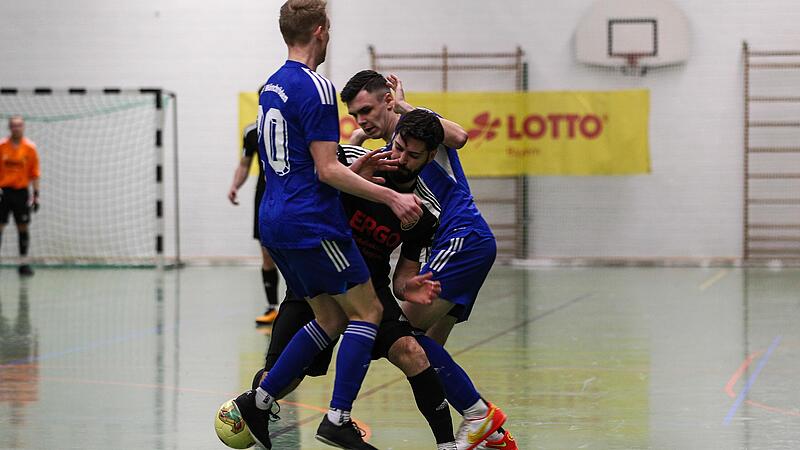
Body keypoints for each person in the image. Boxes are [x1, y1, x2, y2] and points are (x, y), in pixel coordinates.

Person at [232, 2, 423, 449]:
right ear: (320, 31)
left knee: (329, 316)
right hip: (312, 222)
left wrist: (354, 168)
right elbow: (326, 169)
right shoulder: (316, 86)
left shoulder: (271, 85)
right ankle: (337, 419)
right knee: (369, 311)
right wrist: (392, 196)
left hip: (275, 221)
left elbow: (302, 164)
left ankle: (257, 402)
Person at [341, 74, 516, 449]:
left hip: (461, 238)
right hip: (460, 244)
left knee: (404, 334)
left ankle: (478, 414)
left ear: (388, 101)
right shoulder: (393, 149)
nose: (362, 120)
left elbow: (460, 136)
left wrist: (406, 107)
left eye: (367, 110)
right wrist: (356, 140)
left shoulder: (417, 128)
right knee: (424, 349)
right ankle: (493, 436)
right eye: (355, 114)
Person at [250, 143, 458, 449]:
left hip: (370, 285)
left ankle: (447, 444)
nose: (401, 158)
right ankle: (256, 411)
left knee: (412, 352)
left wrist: (408, 288)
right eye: (398, 147)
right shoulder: (351, 161)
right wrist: (353, 175)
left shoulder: (424, 211)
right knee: (280, 378)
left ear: (428, 158)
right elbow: (315, 195)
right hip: (321, 275)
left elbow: (403, 277)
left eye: (412, 155)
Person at [227, 121, 280, 325]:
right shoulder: (251, 131)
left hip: (292, 192)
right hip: (264, 195)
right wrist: (235, 186)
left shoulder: (292, 122)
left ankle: (306, 306)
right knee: (266, 252)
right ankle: (272, 307)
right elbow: (244, 164)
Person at [0, 116, 40, 276]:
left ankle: (23, 264)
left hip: (21, 193)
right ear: (9, 128)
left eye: (19, 125)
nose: (16, 128)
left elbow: (35, 174)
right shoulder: (2, 146)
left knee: (22, 226)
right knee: (0, 225)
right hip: (3, 192)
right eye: (13, 126)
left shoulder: (30, 148)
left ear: (23, 127)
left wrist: (36, 196)